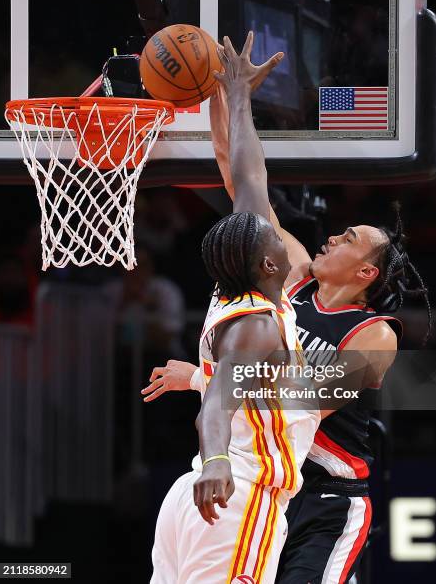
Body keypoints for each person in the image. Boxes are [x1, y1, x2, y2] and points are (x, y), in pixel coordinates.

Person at [143, 36, 432, 583]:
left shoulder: (377, 335)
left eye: (347, 238)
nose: (327, 239)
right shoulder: (281, 285)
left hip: (326, 494)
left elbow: (308, 401)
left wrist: (202, 379)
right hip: (259, 475)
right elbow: (243, 179)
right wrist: (223, 96)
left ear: (366, 273)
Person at [148, 32, 321, 584]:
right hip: (234, 492)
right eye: (274, 241)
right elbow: (221, 399)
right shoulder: (256, 321)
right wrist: (218, 458)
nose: (279, 233)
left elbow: (246, 177)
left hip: (198, 493)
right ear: (270, 266)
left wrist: (237, 94)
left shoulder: (236, 283)